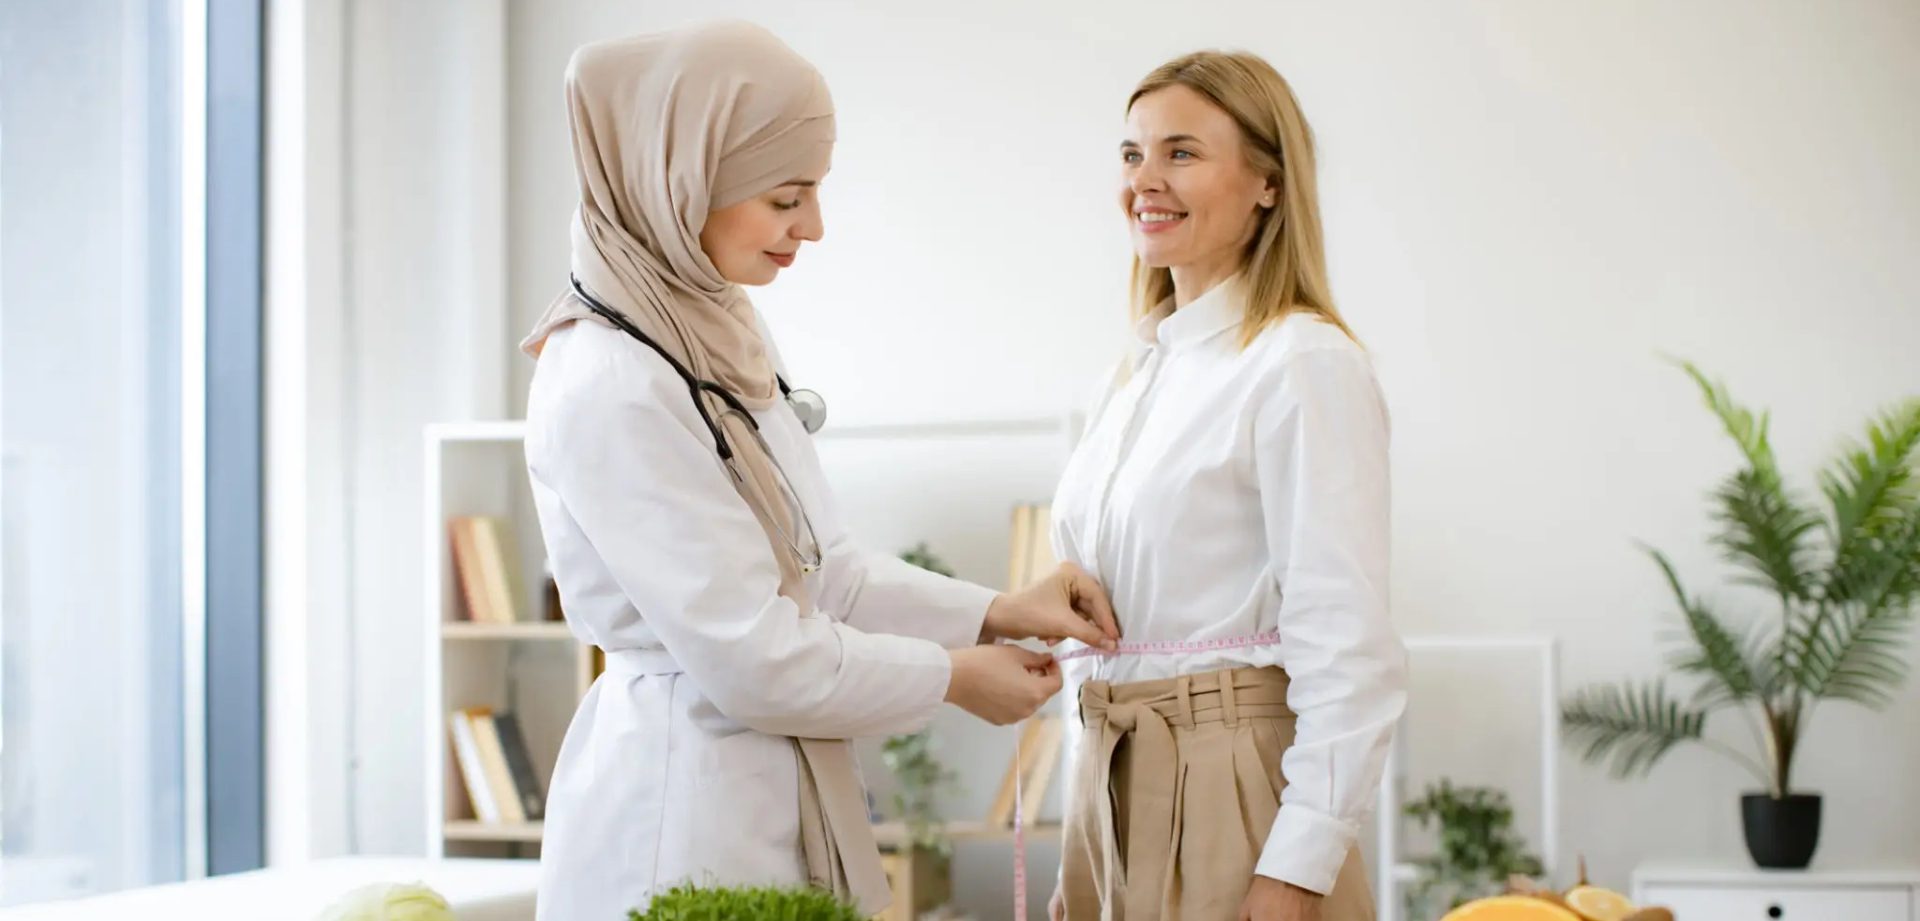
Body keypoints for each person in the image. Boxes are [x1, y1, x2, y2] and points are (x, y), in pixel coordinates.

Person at [518, 22, 1118, 920]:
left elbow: (821, 569)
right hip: (682, 809)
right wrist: (953, 675)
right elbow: (753, 657)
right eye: (787, 196)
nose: (815, 227)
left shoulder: (716, 326)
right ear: (687, 180)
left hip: (769, 776)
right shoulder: (610, 378)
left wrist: (995, 611)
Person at [1048, 49, 1407, 921]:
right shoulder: (1130, 378)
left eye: (1181, 152)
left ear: (1268, 184)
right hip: (1109, 777)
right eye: (1132, 154)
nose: (1145, 180)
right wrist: (1084, 838)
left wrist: (1295, 869)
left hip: (1234, 784)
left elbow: (1346, 645)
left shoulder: (1301, 362)